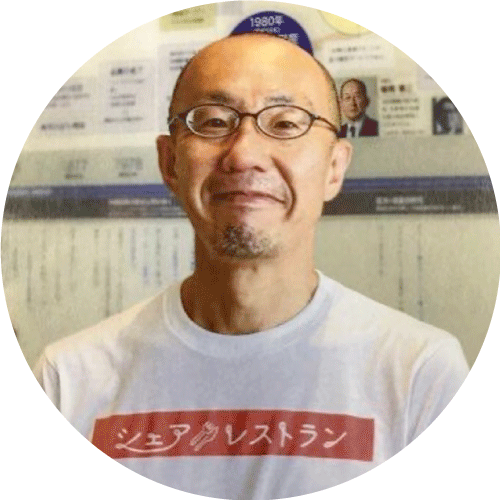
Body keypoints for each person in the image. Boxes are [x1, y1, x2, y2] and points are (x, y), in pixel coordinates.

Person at [34, 33, 468, 499]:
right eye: (214, 121)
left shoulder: (420, 374)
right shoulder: (68, 381)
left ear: (335, 168)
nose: (244, 154)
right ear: (170, 162)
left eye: (285, 123)